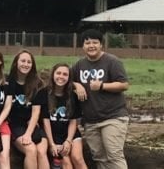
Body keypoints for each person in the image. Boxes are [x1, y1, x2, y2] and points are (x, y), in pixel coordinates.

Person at [70, 29, 129, 169]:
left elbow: (124, 84)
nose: (91, 46)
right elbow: (65, 80)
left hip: (112, 117)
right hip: (90, 120)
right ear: (83, 46)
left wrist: (102, 85)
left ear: (101, 45)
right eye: (87, 43)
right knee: (99, 157)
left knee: (114, 155)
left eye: (95, 42)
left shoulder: (112, 61)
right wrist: (76, 85)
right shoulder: (79, 65)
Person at [38, 63, 88, 169]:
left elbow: (73, 121)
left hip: (70, 133)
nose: (61, 76)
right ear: (53, 75)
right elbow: (45, 121)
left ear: (69, 78)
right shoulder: (43, 93)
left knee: (77, 158)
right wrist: (52, 144)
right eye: (58, 73)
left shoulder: (73, 96)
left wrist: (68, 141)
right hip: (53, 133)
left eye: (65, 74)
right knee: (66, 162)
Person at [7, 50, 50, 169]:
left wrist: (28, 133)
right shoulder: (7, 82)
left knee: (41, 152)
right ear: (16, 63)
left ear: (32, 65)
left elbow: (36, 113)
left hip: (33, 125)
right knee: (31, 150)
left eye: (29, 62)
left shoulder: (38, 84)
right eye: (23, 61)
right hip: (15, 125)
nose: (26, 64)